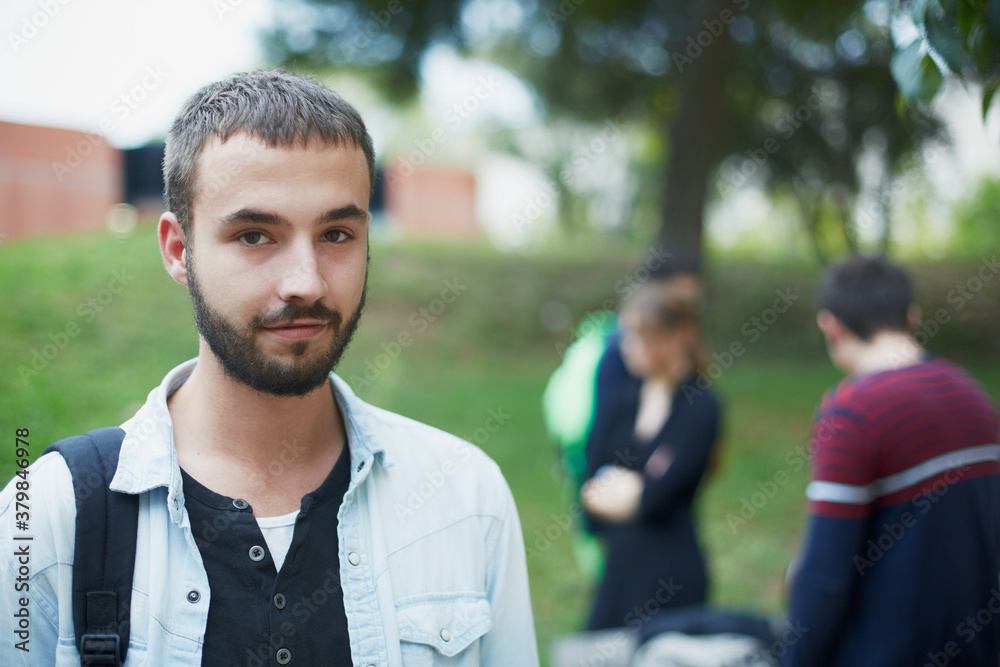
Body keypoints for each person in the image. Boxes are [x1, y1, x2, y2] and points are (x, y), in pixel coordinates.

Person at [0, 70, 538, 666]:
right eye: (255, 235)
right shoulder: (47, 516)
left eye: (337, 233)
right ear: (180, 251)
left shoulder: (465, 497)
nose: (306, 282)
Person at [783, 254, 1000, 666]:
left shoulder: (853, 411)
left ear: (831, 325)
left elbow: (826, 575)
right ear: (912, 317)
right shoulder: (976, 398)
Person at [580, 278, 721, 631]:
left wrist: (631, 493)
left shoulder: (700, 407)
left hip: (671, 577)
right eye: (628, 335)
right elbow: (589, 484)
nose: (631, 347)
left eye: (644, 336)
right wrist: (632, 492)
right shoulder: (620, 401)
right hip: (618, 575)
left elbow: (659, 496)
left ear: (678, 336)